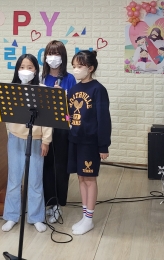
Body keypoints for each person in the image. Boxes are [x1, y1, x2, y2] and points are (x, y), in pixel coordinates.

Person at [2, 54, 52, 233]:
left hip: (36, 139)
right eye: (22, 67)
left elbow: (48, 119)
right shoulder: (11, 90)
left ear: (36, 70)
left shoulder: (43, 90)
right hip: (15, 138)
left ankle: (36, 217)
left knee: (35, 180)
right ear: (17, 70)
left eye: (30, 67)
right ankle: (11, 216)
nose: (26, 70)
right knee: (14, 179)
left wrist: (46, 140)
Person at [68, 50, 111, 236]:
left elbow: (103, 119)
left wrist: (103, 145)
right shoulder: (73, 89)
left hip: (90, 142)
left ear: (90, 68)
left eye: (80, 66)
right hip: (75, 140)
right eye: (74, 66)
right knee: (80, 177)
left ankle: (89, 219)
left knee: (89, 179)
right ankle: (85, 215)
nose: (76, 69)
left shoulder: (98, 89)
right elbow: (69, 114)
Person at [41, 40, 77, 223]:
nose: (52, 57)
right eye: (50, 53)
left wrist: (62, 98)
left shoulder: (69, 79)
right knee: (44, 167)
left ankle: (57, 205)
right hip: (43, 129)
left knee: (60, 167)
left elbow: (74, 108)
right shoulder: (41, 78)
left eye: (56, 53)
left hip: (62, 129)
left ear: (62, 57)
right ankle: (46, 203)